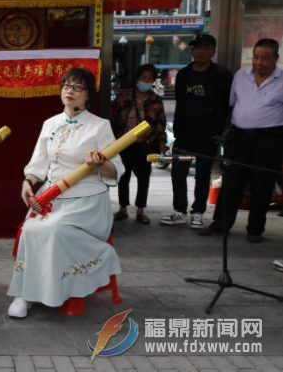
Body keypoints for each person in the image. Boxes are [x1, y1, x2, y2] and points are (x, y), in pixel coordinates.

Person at [8, 68, 124, 318]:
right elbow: (37, 165)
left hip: (87, 201)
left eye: (77, 87)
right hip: (51, 196)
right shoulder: (50, 123)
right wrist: (27, 183)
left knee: (55, 229)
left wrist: (100, 163)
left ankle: (68, 280)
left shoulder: (99, 126)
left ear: (88, 95)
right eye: (66, 85)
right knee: (30, 229)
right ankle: (24, 293)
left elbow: (117, 170)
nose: (70, 90)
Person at [200, 39, 283, 242]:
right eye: (255, 57)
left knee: (262, 184)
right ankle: (220, 224)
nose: (259, 62)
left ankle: (255, 229)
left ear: (276, 58)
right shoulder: (240, 76)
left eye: (265, 58)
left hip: (269, 139)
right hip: (239, 137)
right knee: (231, 182)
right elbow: (233, 104)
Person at [160, 34, 233, 229]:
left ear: (213, 52)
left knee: (202, 173)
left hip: (208, 135)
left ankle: (198, 212)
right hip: (185, 134)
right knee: (178, 171)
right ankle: (179, 211)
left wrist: (219, 129)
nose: (200, 51)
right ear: (192, 50)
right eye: (197, 47)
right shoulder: (184, 74)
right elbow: (180, 102)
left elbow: (228, 104)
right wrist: (177, 132)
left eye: (205, 48)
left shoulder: (222, 75)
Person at [109, 64, 167, 225]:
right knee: (123, 176)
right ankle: (122, 208)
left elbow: (161, 122)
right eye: (143, 78)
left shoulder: (156, 99)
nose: (146, 81)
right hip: (123, 143)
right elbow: (112, 117)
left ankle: (141, 210)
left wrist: (161, 143)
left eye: (150, 79)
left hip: (144, 145)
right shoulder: (124, 96)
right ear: (137, 78)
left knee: (144, 177)